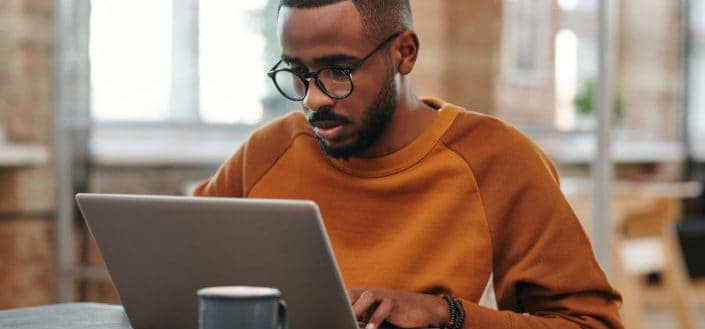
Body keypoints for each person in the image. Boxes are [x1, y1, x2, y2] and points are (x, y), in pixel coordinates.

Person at [194, 1, 624, 328]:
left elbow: (589, 323)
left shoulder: (497, 159)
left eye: (337, 71)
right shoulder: (267, 151)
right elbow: (172, 266)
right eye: (297, 72)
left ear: (405, 53)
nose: (313, 98)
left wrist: (446, 314)